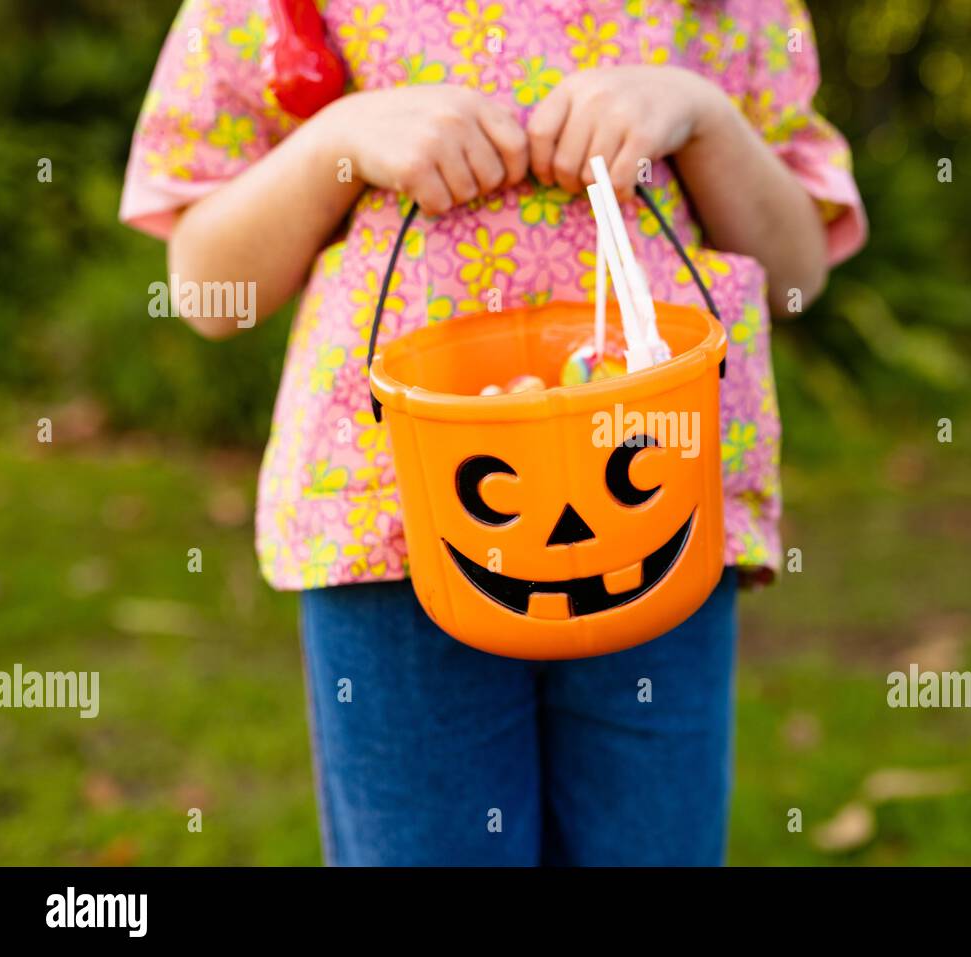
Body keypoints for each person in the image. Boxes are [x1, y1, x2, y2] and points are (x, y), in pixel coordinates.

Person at [120, 0, 865, 865]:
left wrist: (701, 117)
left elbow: (798, 274)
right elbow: (210, 290)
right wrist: (338, 141)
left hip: (655, 511)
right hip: (398, 527)